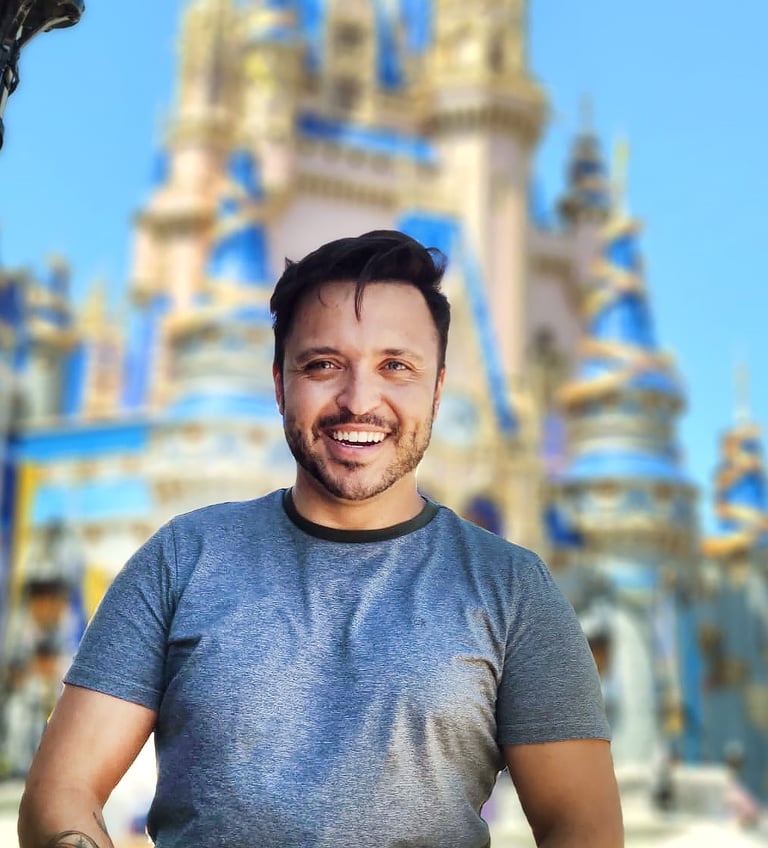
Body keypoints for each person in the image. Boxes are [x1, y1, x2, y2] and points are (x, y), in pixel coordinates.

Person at [18, 231, 623, 848]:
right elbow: (60, 793)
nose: (359, 401)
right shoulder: (181, 561)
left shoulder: (513, 590)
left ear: (437, 390)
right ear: (280, 385)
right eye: (324, 365)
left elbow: (583, 827)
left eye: (396, 366)